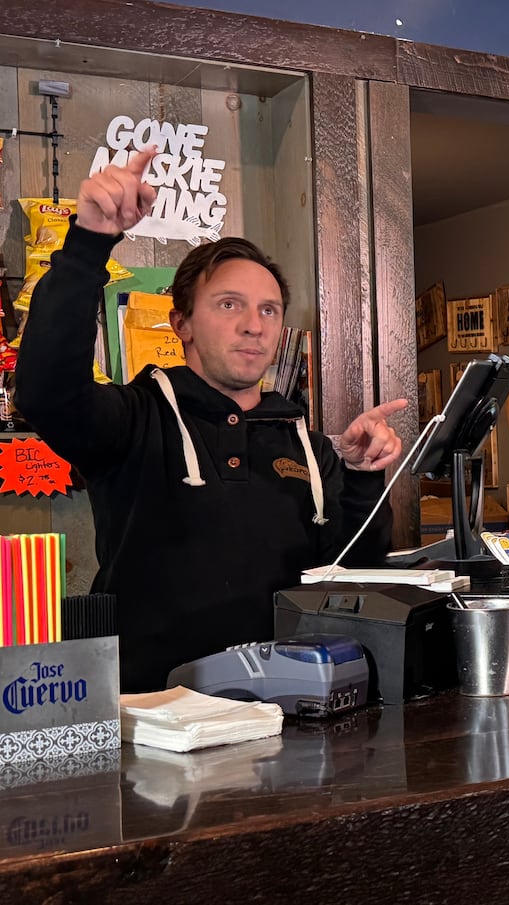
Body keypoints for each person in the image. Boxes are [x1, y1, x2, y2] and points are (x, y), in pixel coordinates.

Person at [15, 148, 408, 692]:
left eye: (268, 310)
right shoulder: (133, 420)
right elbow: (45, 391)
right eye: (229, 304)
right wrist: (88, 243)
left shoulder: (311, 449)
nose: (254, 326)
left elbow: (352, 575)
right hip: (154, 720)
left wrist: (363, 477)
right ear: (182, 323)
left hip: (290, 711)